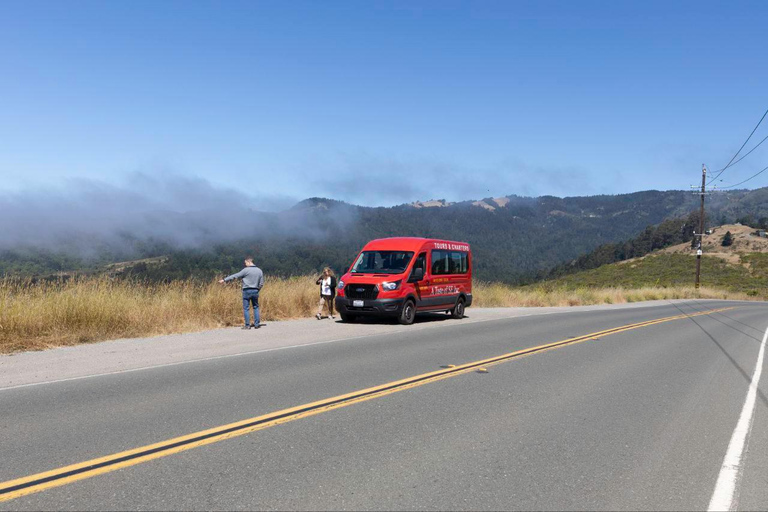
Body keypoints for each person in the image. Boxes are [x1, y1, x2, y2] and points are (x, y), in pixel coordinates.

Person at [220, 257, 264, 329]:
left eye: (245, 263)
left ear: (249, 262)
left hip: (246, 290)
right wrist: (257, 289)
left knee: (246, 308)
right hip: (255, 290)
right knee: (256, 307)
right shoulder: (259, 271)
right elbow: (261, 283)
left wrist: (224, 280)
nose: (245, 264)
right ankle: (256, 324)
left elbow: (235, 276)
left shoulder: (245, 270)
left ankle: (247, 325)